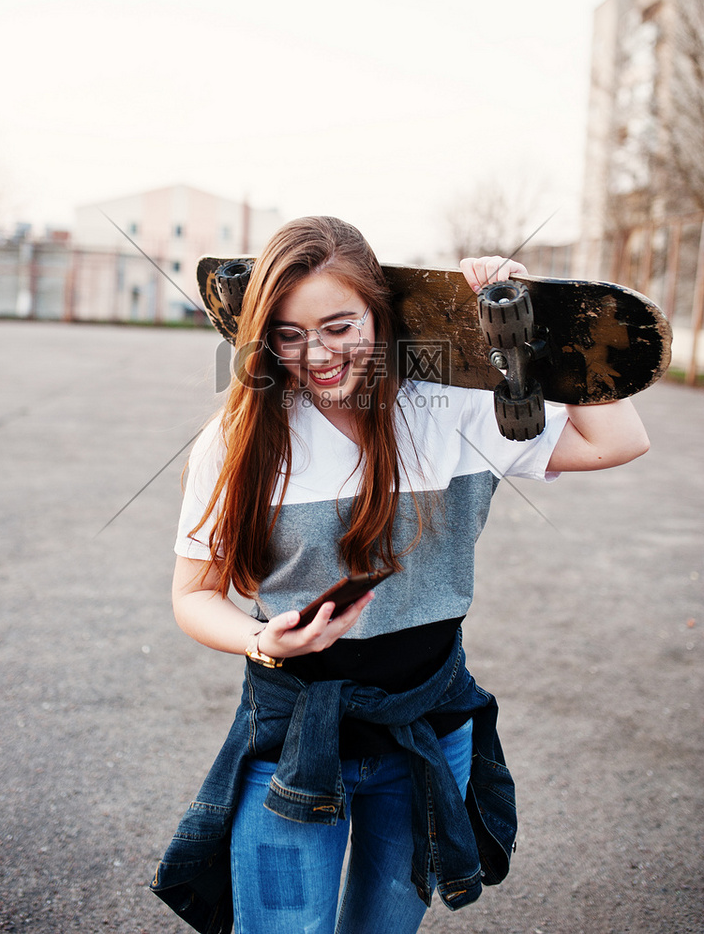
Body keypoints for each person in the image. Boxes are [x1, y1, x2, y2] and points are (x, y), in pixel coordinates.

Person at [150, 216, 649, 934]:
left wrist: (534, 323)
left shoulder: (457, 409)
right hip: (294, 730)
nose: (315, 354)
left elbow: (621, 439)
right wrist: (265, 640)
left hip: (425, 723)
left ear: (381, 315)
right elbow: (193, 596)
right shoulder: (241, 436)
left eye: (338, 324)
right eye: (288, 334)